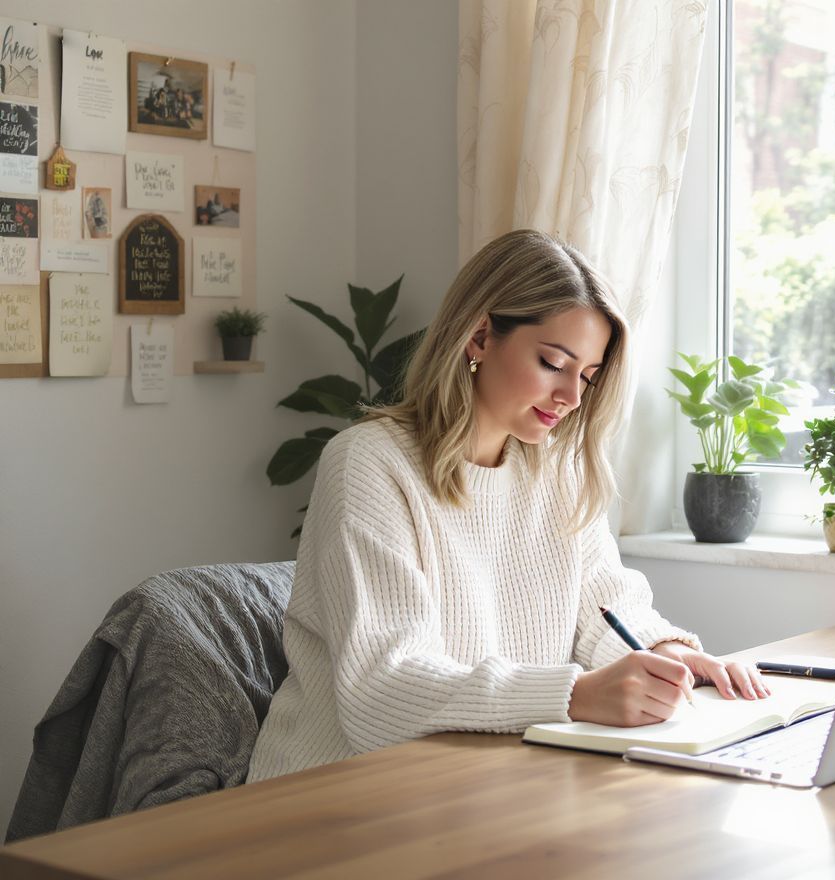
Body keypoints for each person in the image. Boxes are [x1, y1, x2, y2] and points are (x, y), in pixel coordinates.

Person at [246, 229, 769, 782]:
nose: (571, 397)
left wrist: (669, 654)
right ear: (478, 337)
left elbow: (605, 609)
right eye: (552, 363)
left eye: (587, 377)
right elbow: (382, 691)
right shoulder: (368, 464)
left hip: (483, 782)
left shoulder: (559, 471)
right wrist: (574, 695)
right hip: (336, 795)